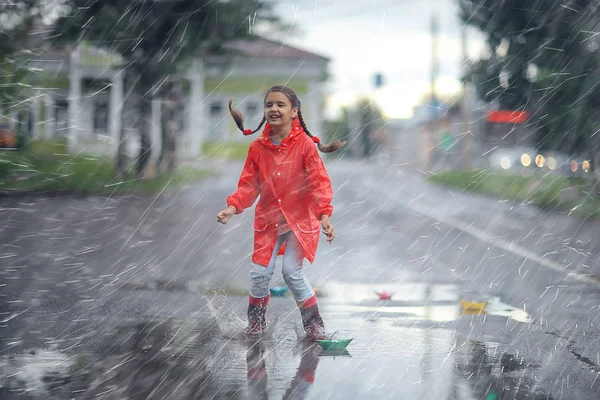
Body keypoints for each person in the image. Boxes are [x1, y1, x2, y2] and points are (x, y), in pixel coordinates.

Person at [216, 85, 345, 341]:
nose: (274, 109)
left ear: (294, 111)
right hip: (268, 222)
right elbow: (248, 185)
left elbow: (319, 181)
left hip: (300, 222)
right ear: (265, 111)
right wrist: (233, 207)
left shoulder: (305, 145)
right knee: (259, 273)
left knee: (291, 272)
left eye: (280, 105)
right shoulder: (257, 148)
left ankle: (315, 328)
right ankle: (256, 326)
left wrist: (324, 215)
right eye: (269, 105)